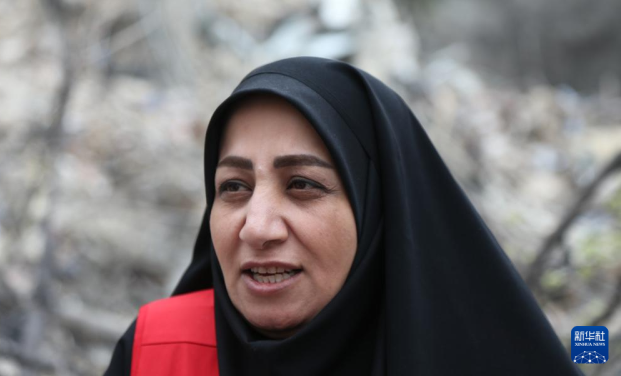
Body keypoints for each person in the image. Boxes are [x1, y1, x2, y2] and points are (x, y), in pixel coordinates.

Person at [105, 57, 582, 375]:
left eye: (302, 185)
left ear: (377, 209)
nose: (257, 227)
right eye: (234, 187)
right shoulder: (157, 354)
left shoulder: (472, 358)